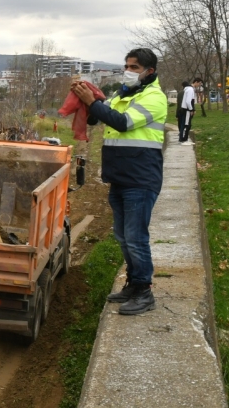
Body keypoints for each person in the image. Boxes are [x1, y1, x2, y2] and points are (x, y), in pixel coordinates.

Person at [70, 48, 167, 315]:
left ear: (150, 71)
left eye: (134, 67)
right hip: (120, 177)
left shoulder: (154, 98)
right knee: (123, 237)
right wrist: (87, 98)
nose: (129, 71)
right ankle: (133, 284)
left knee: (136, 238)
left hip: (141, 177)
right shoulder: (122, 94)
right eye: (127, 66)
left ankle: (145, 292)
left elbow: (122, 122)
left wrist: (94, 102)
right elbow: (98, 115)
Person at [177, 80, 196, 145]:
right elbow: (188, 101)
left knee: (183, 124)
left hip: (183, 109)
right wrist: (191, 109)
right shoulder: (190, 90)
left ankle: (181, 138)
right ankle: (184, 139)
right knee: (187, 125)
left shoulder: (186, 90)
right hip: (187, 110)